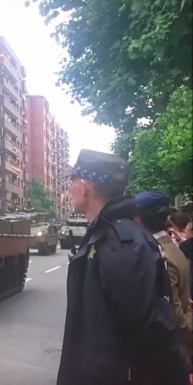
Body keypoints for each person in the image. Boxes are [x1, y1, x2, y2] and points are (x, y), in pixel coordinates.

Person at [57, 149, 191, 385]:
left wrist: (180, 370)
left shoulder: (120, 242)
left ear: (85, 186)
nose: (70, 188)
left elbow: (151, 327)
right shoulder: (107, 234)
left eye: (73, 181)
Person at [134, 191, 193, 353]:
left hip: (173, 350)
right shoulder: (172, 247)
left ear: (137, 219)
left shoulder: (159, 254)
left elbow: (173, 310)